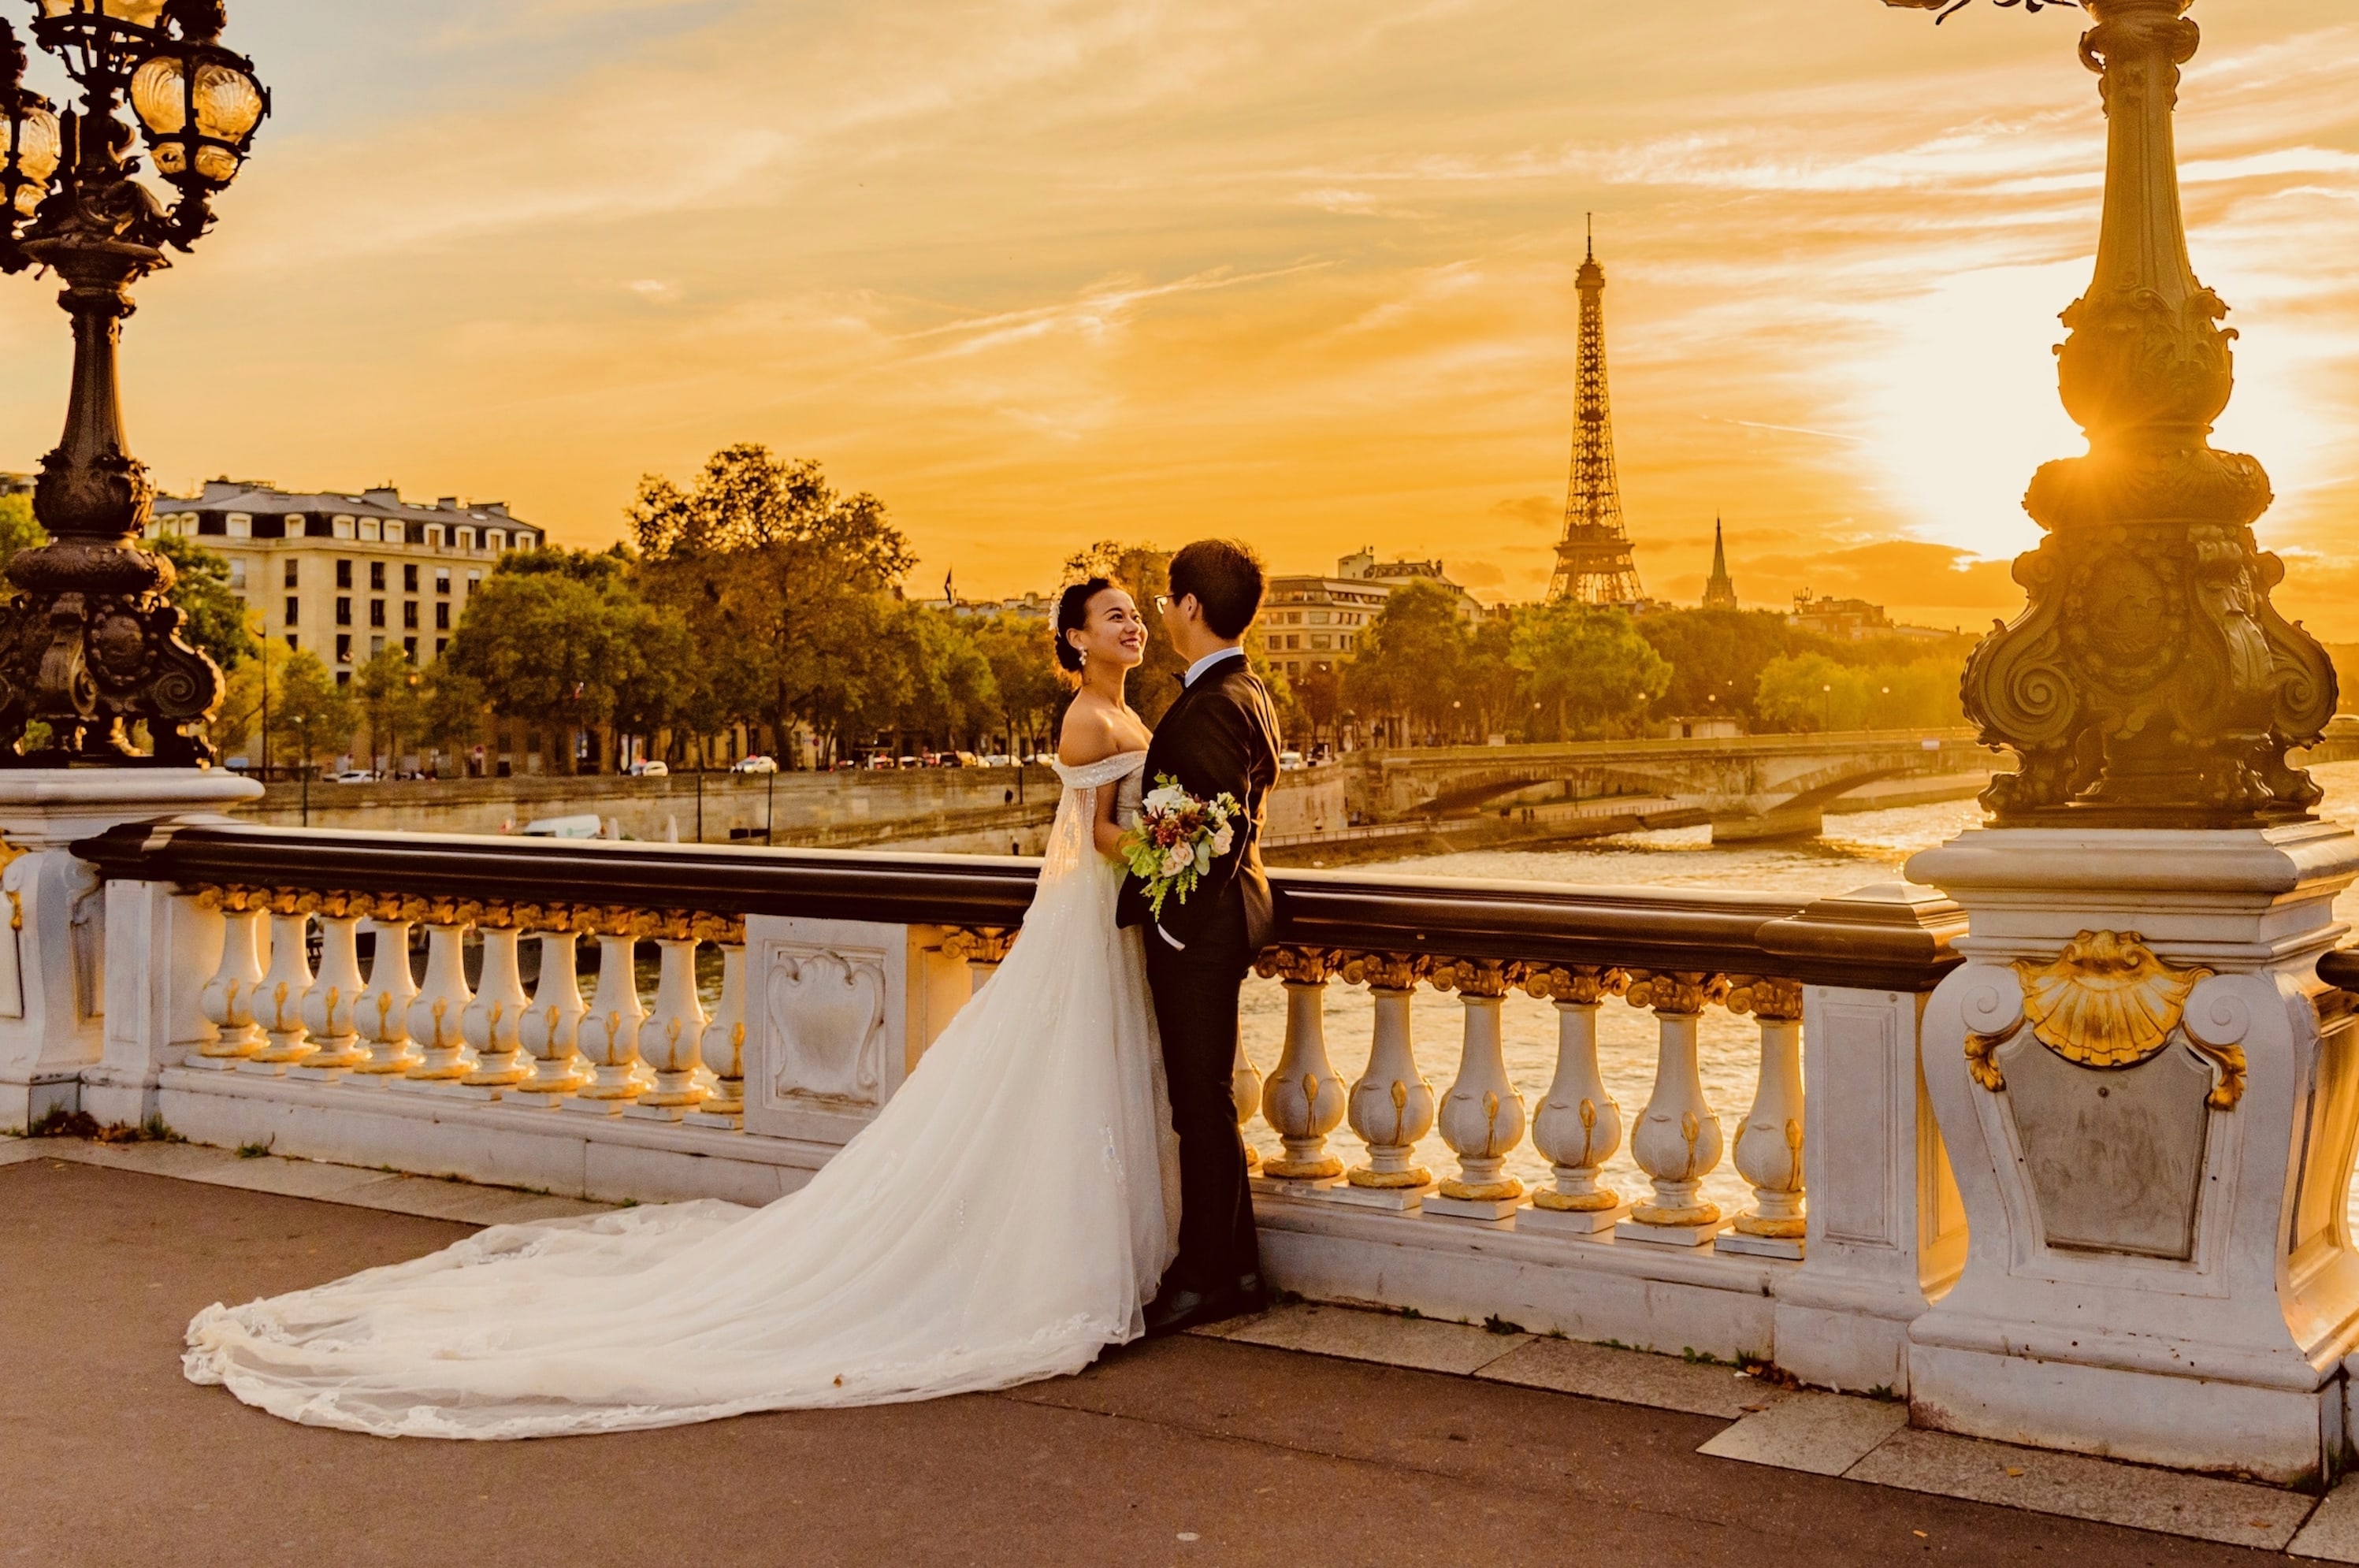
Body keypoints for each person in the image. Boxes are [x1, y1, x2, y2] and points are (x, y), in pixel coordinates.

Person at [180, 576, 1185, 1440]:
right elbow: (1097, 829)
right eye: (1112, 616)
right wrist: (1164, 853)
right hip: (1098, 909)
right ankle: (1061, 1270)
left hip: (1104, 919)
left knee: (1068, 1083)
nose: (1130, 626)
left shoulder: (1132, 714)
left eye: (1136, 613)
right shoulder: (1090, 720)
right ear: (1072, 639)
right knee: (1067, 1077)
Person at [1116, 540, 1282, 1336]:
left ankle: (1203, 1273)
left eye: (1166, 600)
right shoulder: (1247, 689)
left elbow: (1220, 826)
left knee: (1197, 1103)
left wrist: (1177, 929)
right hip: (1224, 922)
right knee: (1208, 1102)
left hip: (1202, 929)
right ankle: (1238, 1267)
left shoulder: (1214, 701)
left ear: (1188, 606)